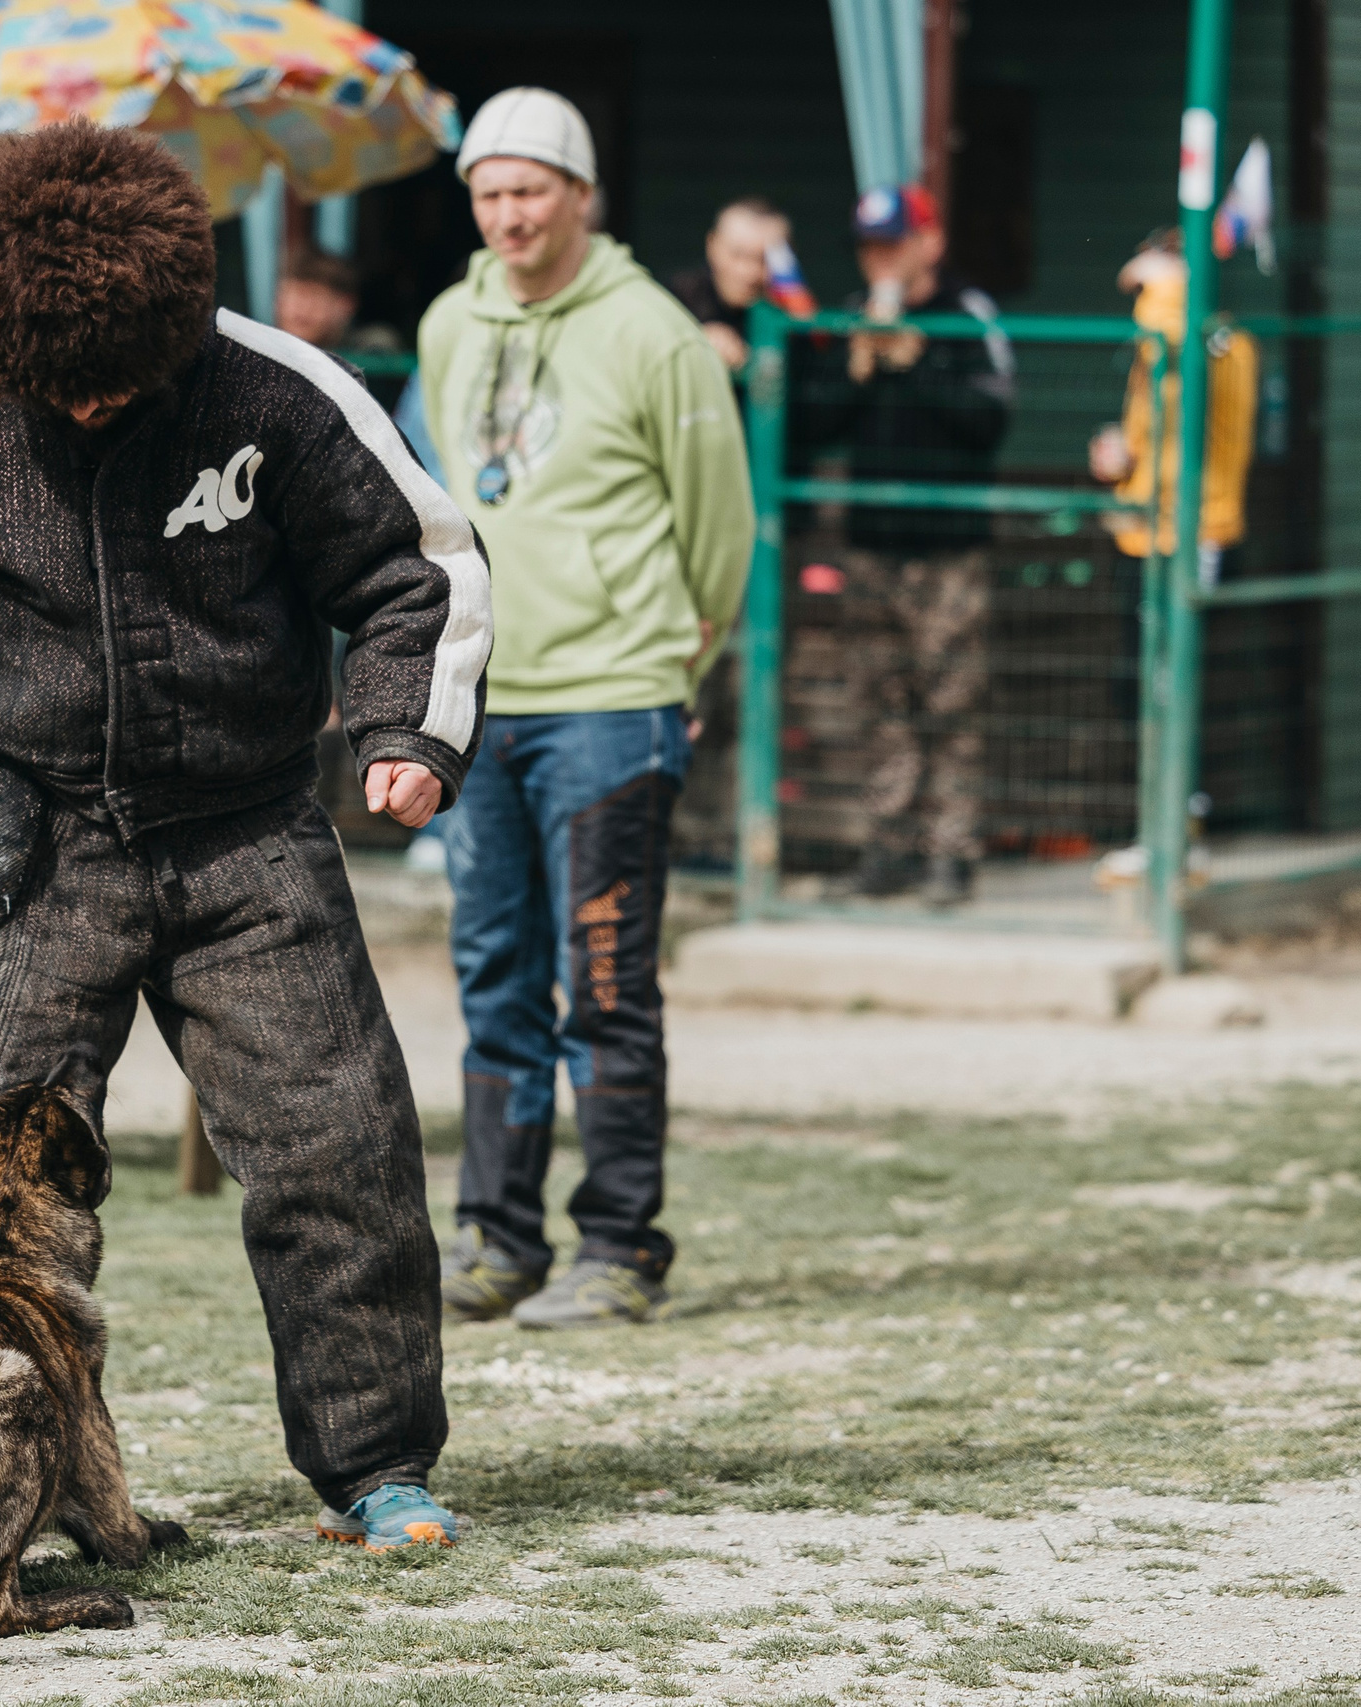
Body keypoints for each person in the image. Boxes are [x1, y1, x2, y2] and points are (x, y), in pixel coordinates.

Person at [0, 123, 490, 1553]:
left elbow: (414, 569)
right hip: (29, 841)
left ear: (180, 324)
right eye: (52, 390)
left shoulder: (280, 396)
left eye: (114, 387)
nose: (85, 408)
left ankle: (377, 1467)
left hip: (249, 837)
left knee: (343, 1151)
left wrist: (407, 733)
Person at [415, 88, 753, 1330]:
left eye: (529, 191)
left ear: (579, 195)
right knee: (494, 972)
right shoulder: (451, 322)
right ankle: (495, 1238)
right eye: (488, 193)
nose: (508, 215)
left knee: (605, 981)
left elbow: (720, 522)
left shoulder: (654, 334)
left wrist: (684, 656)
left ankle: (618, 1245)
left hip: (614, 698)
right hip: (489, 700)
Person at [792, 185, 1015, 904]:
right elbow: (809, 423)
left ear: (929, 243)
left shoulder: (966, 315)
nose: (881, 258)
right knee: (880, 704)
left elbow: (989, 421)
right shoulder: (855, 314)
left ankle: (952, 854)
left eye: (893, 242)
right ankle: (889, 848)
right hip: (870, 547)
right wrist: (855, 368)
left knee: (951, 706)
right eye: (870, 245)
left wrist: (917, 363)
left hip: (948, 551)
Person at [1089, 229, 1258, 587]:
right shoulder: (1158, 352)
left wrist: (1167, 285)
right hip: (1145, 532)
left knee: (1184, 639)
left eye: (1146, 290)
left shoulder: (1219, 347)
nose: (1140, 303)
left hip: (1194, 535)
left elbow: (1172, 336)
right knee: (1140, 640)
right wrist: (1123, 453)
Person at [671, 196, 790, 378]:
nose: (749, 273)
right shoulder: (673, 300)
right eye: (737, 255)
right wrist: (691, 339)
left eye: (765, 259)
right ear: (711, 245)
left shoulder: (792, 312)